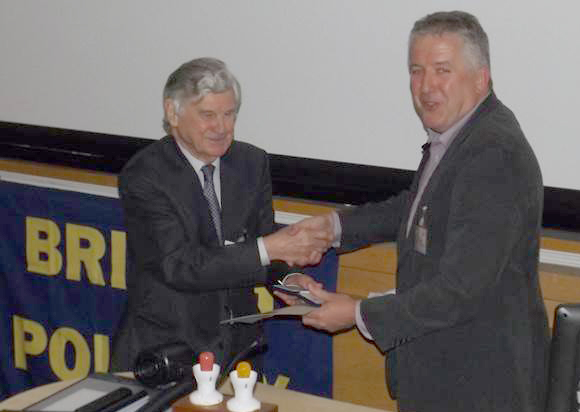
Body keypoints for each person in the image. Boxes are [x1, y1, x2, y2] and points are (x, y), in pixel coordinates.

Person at [278, 11, 550, 412]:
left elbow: (459, 290)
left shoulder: (493, 154)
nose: (426, 87)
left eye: (443, 70)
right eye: (417, 71)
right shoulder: (462, 135)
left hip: (480, 386)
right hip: (446, 375)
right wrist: (332, 228)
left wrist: (358, 313)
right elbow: (419, 206)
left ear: (481, 78)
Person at [110, 57, 327, 372]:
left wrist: (289, 282)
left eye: (230, 114)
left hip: (238, 350)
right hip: (167, 352)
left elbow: (262, 254)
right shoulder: (145, 175)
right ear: (172, 112)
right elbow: (180, 266)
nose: (222, 127)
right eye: (208, 115)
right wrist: (269, 248)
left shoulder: (252, 163)